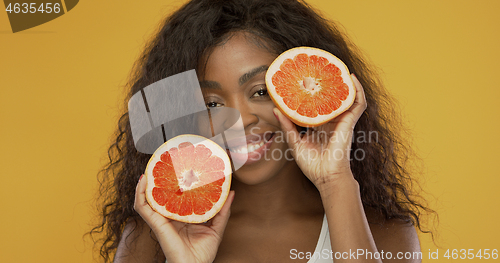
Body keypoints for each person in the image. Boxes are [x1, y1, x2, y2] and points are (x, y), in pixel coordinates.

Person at [90, 0, 434, 262]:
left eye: (260, 91)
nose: (239, 119)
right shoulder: (152, 237)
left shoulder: (384, 234)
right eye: (211, 103)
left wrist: (335, 182)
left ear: (304, 92)